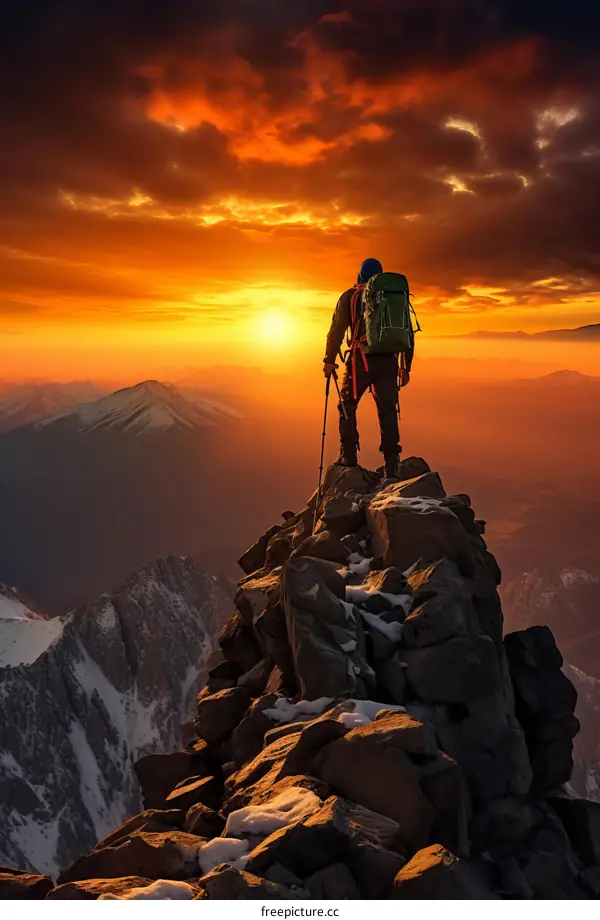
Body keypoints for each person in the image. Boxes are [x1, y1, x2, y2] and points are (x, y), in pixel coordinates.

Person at [323, 257, 413, 480]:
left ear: (360, 275)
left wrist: (329, 360)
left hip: (360, 360)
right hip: (390, 361)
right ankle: (392, 464)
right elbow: (408, 331)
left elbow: (336, 330)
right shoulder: (393, 297)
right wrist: (405, 366)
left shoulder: (350, 296)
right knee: (388, 410)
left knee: (347, 405)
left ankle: (349, 455)